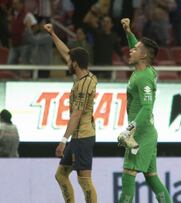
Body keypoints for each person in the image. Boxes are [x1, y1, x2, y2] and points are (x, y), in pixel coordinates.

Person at [117, 18, 171, 203]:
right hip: (145, 132)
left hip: (140, 135)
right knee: (152, 178)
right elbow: (138, 47)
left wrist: (129, 129)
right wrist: (128, 31)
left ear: (143, 56)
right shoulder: (144, 69)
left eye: (135, 49)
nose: (130, 49)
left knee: (127, 177)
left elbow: (147, 108)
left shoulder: (143, 78)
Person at [43, 23, 98, 203]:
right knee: (61, 175)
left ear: (75, 63)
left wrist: (63, 141)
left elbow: (76, 114)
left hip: (82, 136)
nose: (67, 61)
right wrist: (53, 34)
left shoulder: (85, 84)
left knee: (84, 181)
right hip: (77, 137)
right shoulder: (82, 77)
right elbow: (67, 52)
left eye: (69, 60)